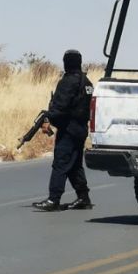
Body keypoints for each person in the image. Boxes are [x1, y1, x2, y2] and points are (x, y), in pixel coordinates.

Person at [33, 50, 95, 211]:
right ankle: (83, 197)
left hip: (69, 128)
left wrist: (48, 119)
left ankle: (53, 199)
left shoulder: (68, 81)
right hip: (81, 128)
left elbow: (61, 106)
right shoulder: (87, 82)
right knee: (74, 164)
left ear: (66, 63)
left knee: (60, 162)